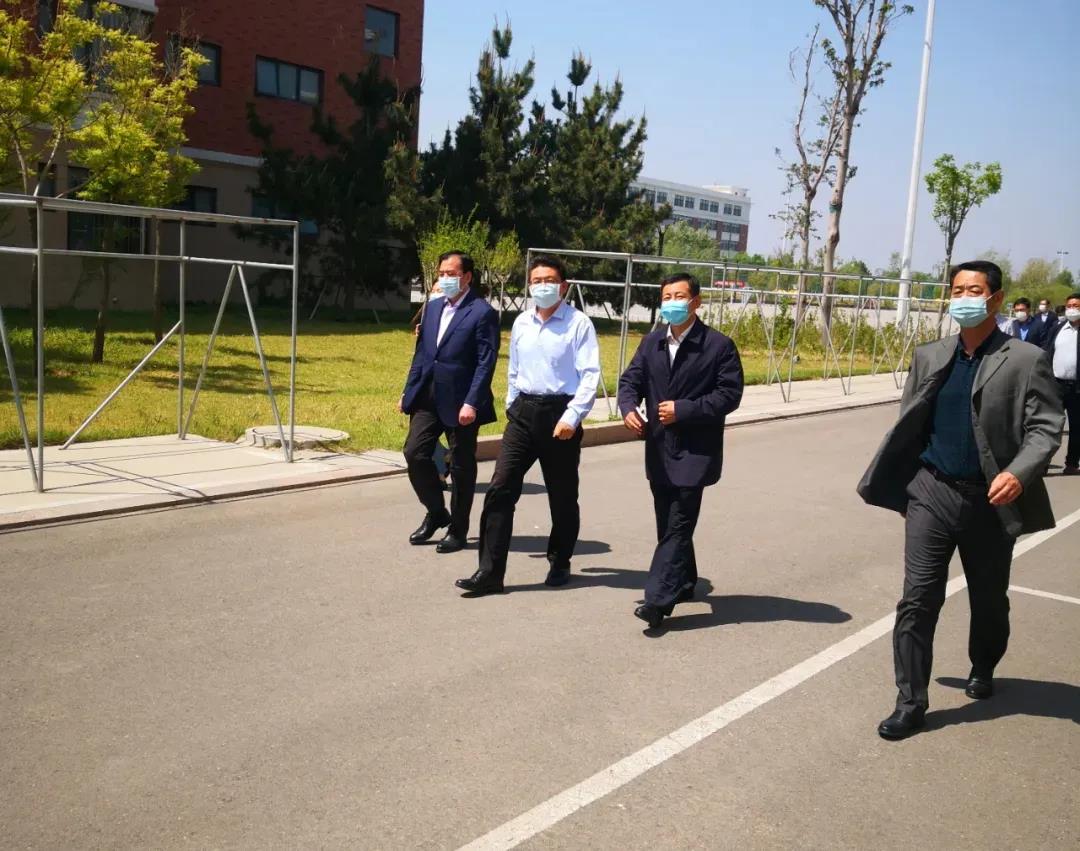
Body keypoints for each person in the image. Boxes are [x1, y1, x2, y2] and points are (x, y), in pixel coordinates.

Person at [858, 260, 1063, 740]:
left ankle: (983, 664)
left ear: (995, 298)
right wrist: (905, 486)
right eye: (956, 290)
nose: (963, 298)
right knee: (917, 598)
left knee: (988, 598)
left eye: (974, 290)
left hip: (991, 500)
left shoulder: (1025, 359)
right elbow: (911, 425)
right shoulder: (930, 355)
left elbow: (1045, 428)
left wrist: (1018, 473)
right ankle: (910, 702)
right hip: (932, 491)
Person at [455, 255, 600, 596]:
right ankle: (489, 572)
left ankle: (560, 560)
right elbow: (514, 369)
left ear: (563, 286)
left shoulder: (578, 324)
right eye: (536, 281)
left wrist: (573, 416)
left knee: (562, 495)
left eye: (549, 280)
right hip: (523, 413)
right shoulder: (521, 322)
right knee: (500, 488)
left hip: (560, 415)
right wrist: (511, 402)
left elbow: (590, 375)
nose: (542, 286)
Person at [617, 273, 744, 629]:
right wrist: (628, 408)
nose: (672, 302)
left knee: (678, 524)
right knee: (668, 523)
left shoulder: (718, 346)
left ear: (696, 302)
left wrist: (684, 410)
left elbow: (729, 395)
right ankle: (685, 581)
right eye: (667, 297)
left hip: (695, 452)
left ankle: (657, 601)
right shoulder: (652, 342)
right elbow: (630, 380)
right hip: (659, 449)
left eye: (679, 296)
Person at [400, 251, 500, 553]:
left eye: (451, 274)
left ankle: (458, 529)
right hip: (428, 395)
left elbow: (485, 362)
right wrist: (408, 390)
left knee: (461, 467)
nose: (445, 278)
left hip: (461, 402)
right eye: (441, 273)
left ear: (467, 277)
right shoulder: (432, 308)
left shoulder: (482, 312)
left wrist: (472, 402)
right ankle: (436, 511)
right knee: (414, 453)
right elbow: (422, 354)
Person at [1043, 292, 1080, 475]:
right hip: (1055, 385)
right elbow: (1047, 352)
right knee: (1049, 426)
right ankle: (1042, 463)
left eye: (1076, 306)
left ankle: (1072, 463)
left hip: (1077, 389)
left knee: (1076, 428)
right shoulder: (1057, 328)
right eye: (1069, 306)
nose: (1072, 309)